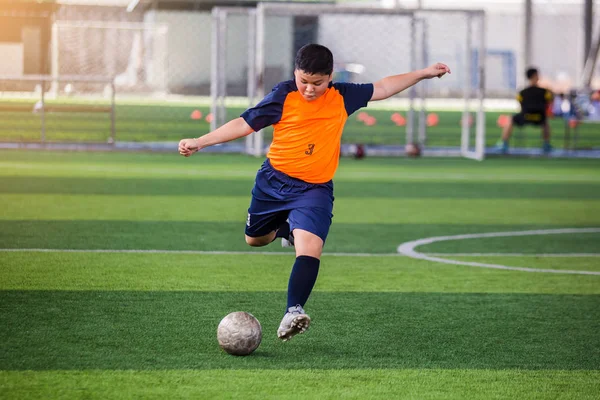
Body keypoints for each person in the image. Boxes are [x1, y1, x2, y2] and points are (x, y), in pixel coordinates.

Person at [178, 44, 450, 342]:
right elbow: (244, 124)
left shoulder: (342, 96)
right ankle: (288, 231)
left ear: (330, 77)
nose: (309, 89)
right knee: (254, 239)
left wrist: (423, 73)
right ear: (296, 73)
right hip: (273, 183)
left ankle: (293, 311)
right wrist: (200, 141)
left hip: (315, 189)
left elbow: (383, 87)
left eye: (317, 83)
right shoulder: (283, 95)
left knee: (310, 249)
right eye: (303, 81)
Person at [497, 67, 554, 154]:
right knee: (545, 121)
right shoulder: (545, 91)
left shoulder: (522, 92)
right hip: (539, 117)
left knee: (510, 119)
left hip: (525, 117)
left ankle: (504, 144)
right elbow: (550, 101)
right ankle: (546, 144)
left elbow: (520, 103)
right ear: (535, 76)